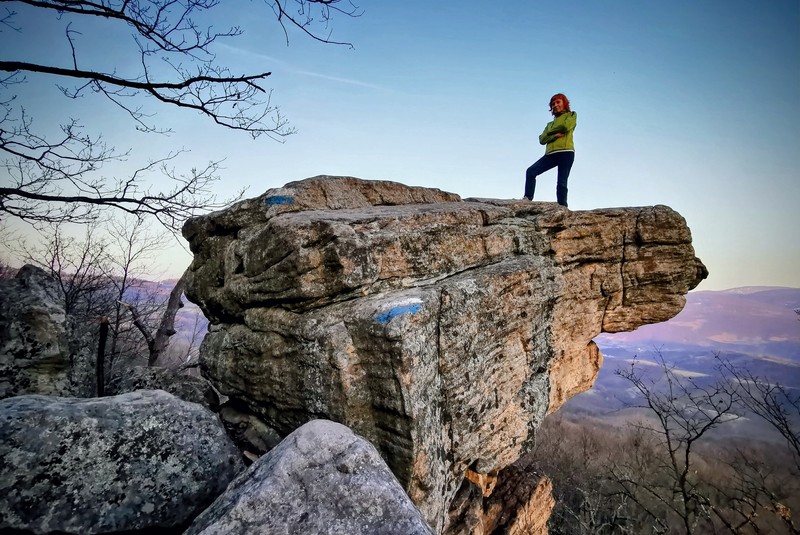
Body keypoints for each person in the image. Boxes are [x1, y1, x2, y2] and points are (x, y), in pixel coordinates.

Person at [524, 93, 577, 207]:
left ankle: (562, 208)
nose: (555, 105)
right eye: (553, 104)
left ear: (564, 103)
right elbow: (542, 139)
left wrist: (549, 133)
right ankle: (527, 199)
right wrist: (553, 135)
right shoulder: (549, 124)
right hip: (550, 154)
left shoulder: (571, 115)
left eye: (558, 102)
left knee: (561, 183)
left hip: (566, 152)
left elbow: (565, 127)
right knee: (530, 172)